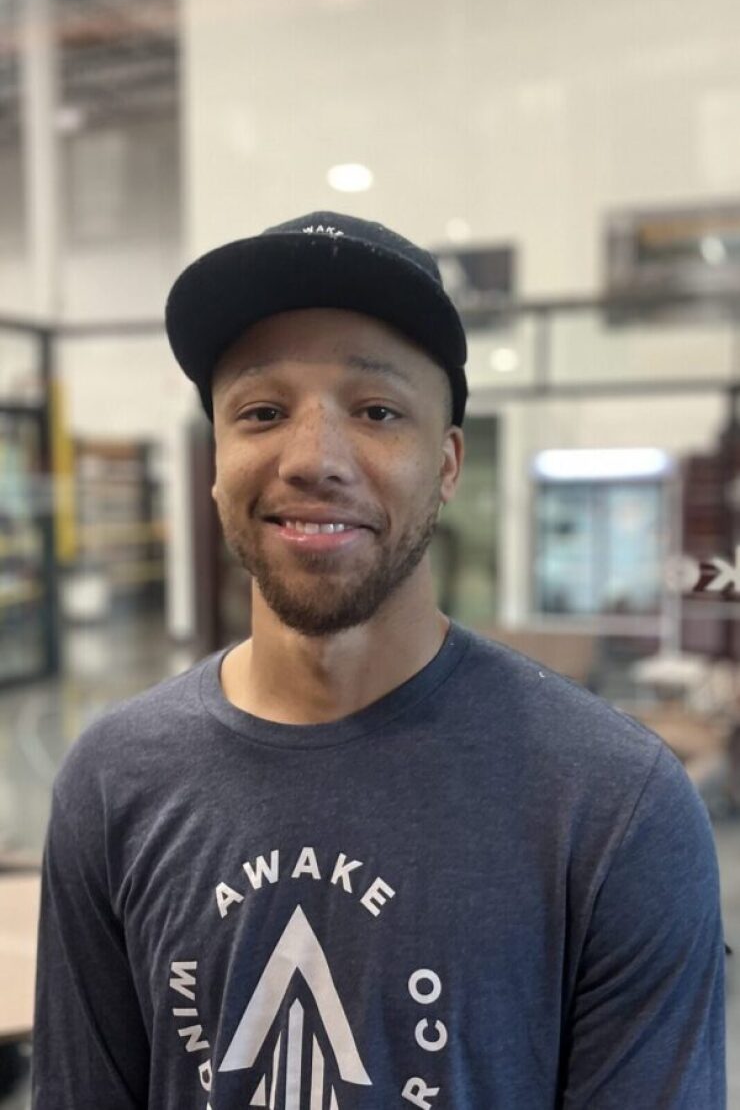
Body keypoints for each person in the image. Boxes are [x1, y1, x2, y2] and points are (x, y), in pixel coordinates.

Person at [32, 212, 726, 1109]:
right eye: (263, 410)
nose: (313, 457)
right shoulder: (112, 780)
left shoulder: (613, 808)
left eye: (376, 410)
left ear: (446, 464)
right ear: (216, 464)